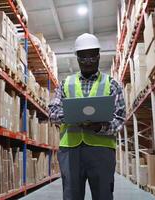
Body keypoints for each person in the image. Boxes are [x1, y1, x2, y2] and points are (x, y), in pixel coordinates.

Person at [48, 33, 125, 200]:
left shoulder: (112, 84)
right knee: (71, 196)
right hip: (71, 151)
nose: (88, 60)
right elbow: (52, 112)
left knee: (103, 195)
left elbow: (119, 119)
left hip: (101, 150)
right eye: (83, 57)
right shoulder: (65, 84)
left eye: (92, 56)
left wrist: (100, 127)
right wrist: (70, 115)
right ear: (77, 58)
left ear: (98, 56)